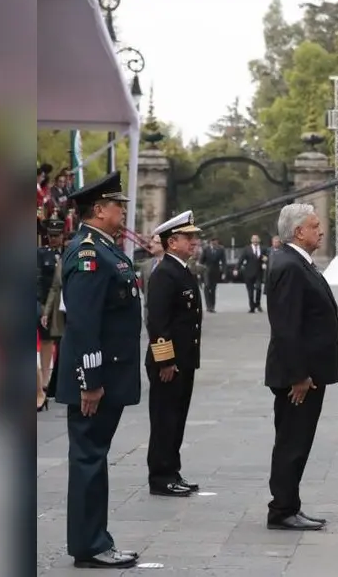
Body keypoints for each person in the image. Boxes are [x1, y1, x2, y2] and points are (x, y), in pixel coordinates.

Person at [56, 171, 142, 569]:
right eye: (117, 206)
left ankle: (95, 540)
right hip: (94, 381)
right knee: (88, 459)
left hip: (108, 375)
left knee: (94, 456)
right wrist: (90, 382)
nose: (122, 212)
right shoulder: (89, 252)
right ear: (99, 209)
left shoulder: (106, 249)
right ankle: (90, 545)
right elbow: (84, 323)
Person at [264, 204, 338, 531]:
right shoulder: (290, 266)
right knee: (292, 443)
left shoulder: (297, 262)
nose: (320, 231)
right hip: (299, 377)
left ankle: (289, 504)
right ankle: (282, 509)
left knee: (298, 441)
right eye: (314, 225)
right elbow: (287, 327)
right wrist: (298, 375)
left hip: (308, 372)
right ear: (298, 232)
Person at [145, 211, 204, 497]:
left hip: (184, 360)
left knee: (177, 418)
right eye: (188, 237)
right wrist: (165, 360)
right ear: (171, 242)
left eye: (194, 237)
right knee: (165, 419)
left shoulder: (181, 270)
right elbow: (157, 322)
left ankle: (172, 470)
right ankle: (160, 476)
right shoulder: (164, 273)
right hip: (168, 363)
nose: (194, 242)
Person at [38, 218, 66, 408]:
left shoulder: (69, 253)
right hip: (48, 302)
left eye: (57, 235)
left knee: (63, 342)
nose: (53, 239)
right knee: (47, 339)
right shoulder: (41, 254)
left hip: (65, 302)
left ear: (63, 236)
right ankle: (45, 380)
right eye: (51, 235)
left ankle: (57, 378)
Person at [236, 234, 266, 313]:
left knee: (258, 288)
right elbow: (241, 259)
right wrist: (236, 268)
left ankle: (258, 304)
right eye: (254, 239)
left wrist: (265, 261)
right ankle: (252, 307)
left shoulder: (263, 249)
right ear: (251, 240)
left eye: (256, 239)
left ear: (259, 240)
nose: (255, 240)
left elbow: (267, 258)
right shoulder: (247, 249)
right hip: (248, 273)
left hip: (259, 272)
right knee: (250, 291)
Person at [199, 237, 226, 313]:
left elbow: (224, 262)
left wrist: (224, 272)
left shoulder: (221, 250)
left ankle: (212, 306)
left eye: (216, 242)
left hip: (215, 271)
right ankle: (208, 306)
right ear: (211, 242)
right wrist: (199, 271)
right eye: (214, 242)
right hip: (206, 271)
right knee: (207, 287)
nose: (215, 243)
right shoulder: (206, 249)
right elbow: (201, 261)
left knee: (213, 289)